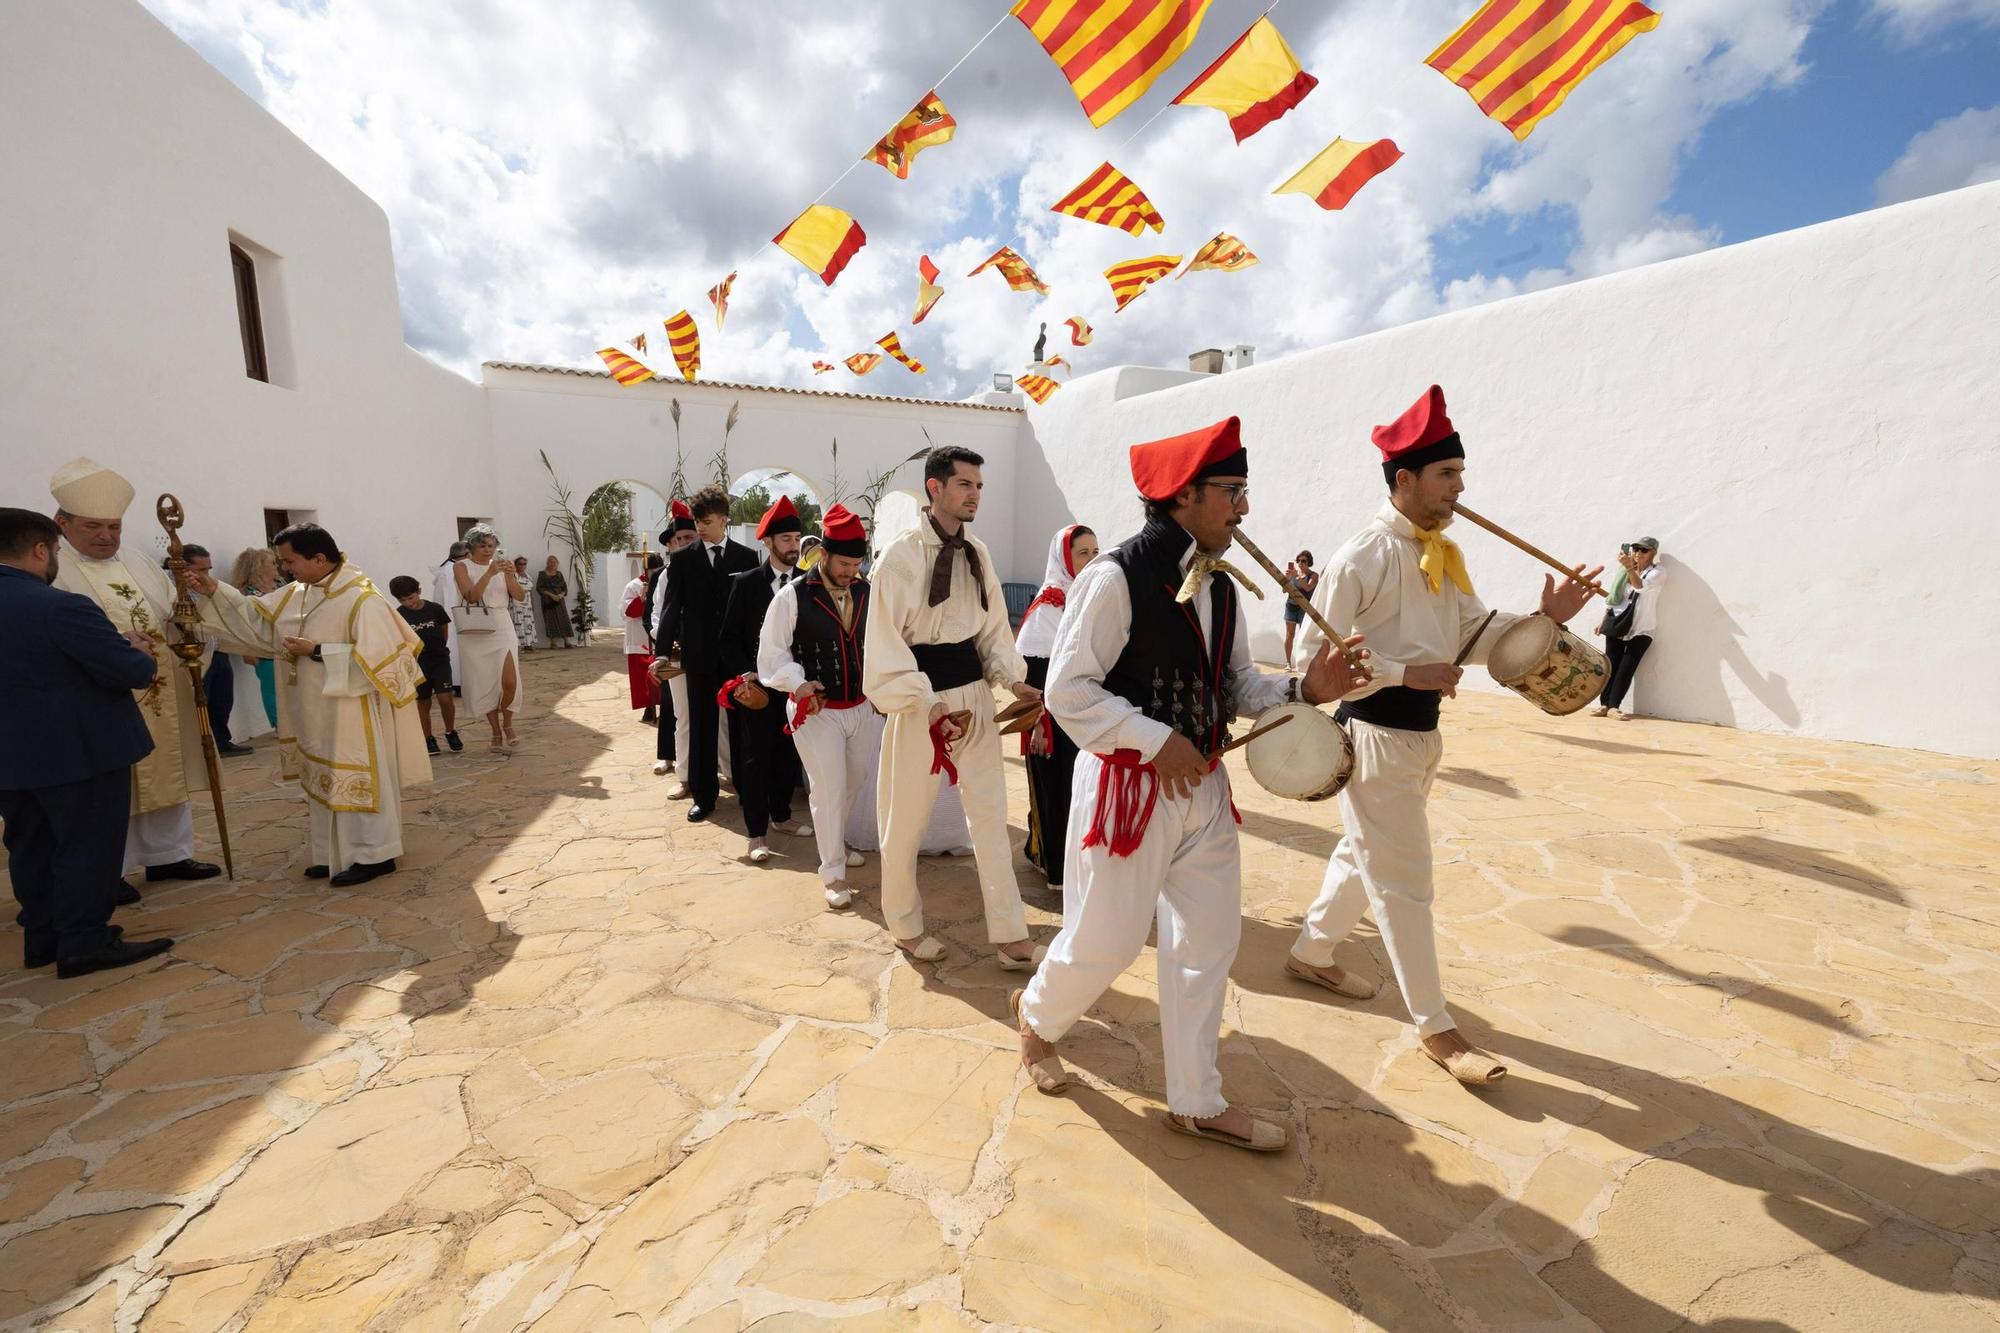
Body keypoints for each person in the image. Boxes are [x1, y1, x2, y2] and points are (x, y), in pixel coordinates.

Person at [1013, 418, 1370, 1152]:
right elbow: (1068, 692)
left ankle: (1196, 1099)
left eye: (1244, 492)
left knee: (1208, 941)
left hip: (1204, 790)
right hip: (1125, 791)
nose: (1243, 509)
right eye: (1233, 492)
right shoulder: (1111, 577)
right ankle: (1038, 1022)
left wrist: (1308, 686)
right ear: (1184, 494)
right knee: (1106, 941)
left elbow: (1234, 684)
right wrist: (1154, 739)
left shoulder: (1224, 588)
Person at [1290, 385, 1601, 1084]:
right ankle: (1438, 1028)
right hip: (1371, 735)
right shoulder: (1359, 556)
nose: (1461, 486)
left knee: (1362, 852)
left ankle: (1311, 951)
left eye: (1461, 473)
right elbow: (1312, 661)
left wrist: (1543, 620)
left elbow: (1476, 633)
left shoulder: (1442, 553)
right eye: (1447, 474)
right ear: (1405, 480)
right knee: (1405, 882)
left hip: (1421, 739)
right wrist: (1406, 673)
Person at [862, 445, 1043, 968]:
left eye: (980, 486)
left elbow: (990, 631)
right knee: (905, 819)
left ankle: (1010, 934)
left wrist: (1014, 681)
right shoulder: (899, 558)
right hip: (922, 703)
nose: (975, 495)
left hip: (975, 699)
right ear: (935, 488)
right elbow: (885, 646)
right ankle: (903, 924)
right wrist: (928, 703)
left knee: (989, 815)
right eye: (965, 484)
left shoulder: (978, 553)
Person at [191, 523, 432, 886]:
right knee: (322, 777)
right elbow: (256, 618)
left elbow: (388, 661)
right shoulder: (299, 592)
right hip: (310, 706)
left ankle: (375, 853)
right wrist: (214, 589)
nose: (286, 568)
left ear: (319, 559)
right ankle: (331, 852)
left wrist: (318, 651)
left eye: (290, 561)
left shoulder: (362, 598)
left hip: (351, 709)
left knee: (355, 775)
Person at [0, 508, 175, 978]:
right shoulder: (60, 604)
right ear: (40, 549)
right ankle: (84, 942)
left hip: (11, 759)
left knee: (29, 846)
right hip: (81, 751)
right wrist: (133, 650)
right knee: (86, 847)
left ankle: (43, 939)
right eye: (56, 550)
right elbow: (131, 672)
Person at [48, 458, 224, 889]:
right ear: (62, 523)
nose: (107, 536)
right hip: (99, 693)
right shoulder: (50, 567)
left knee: (168, 766)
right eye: (93, 526)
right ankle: (112, 870)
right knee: (112, 783)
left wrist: (188, 621)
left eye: (114, 526)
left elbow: (172, 613)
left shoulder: (140, 561)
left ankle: (169, 855)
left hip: (162, 688)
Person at [758, 503, 876, 907]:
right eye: (844, 564)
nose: (850, 573)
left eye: (856, 565)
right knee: (828, 789)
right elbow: (771, 656)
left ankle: (835, 848)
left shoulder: (866, 591)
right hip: (817, 711)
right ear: (823, 555)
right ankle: (833, 873)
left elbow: (878, 643)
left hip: (861, 707)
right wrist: (799, 682)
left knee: (853, 782)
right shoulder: (792, 597)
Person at [719, 496, 812, 863]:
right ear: (768, 543)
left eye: (796, 538)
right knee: (755, 759)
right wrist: (745, 677)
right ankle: (756, 833)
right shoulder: (745, 584)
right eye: (786, 539)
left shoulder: (807, 585)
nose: (793, 546)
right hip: (756, 689)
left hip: (792, 689)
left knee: (788, 756)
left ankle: (782, 817)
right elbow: (727, 637)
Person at [656, 485, 757, 820]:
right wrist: (661, 653)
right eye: (698, 521)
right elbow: (671, 608)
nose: (701, 527)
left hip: (736, 657)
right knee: (701, 727)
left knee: (743, 724)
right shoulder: (683, 559)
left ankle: (747, 788)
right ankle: (703, 796)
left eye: (708, 521)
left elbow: (752, 610)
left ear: (724, 520)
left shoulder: (746, 557)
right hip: (698, 657)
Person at [1015, 523, 1097, 888]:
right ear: (1064, 558)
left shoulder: (1093, 596)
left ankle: (1082, 863)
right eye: (1083, 553)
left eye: (1096, 552)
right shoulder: (1049, 606)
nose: (1092, 559)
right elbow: (1035, 674)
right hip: (1053, 720)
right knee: (1057, 791)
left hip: (1087, 715)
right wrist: (1038, 723)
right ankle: (1056, 867)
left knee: (1084, 791)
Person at [166, 544, 251, 758]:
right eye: (201, 570)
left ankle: (221, 741)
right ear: (182, 568)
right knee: (198, 702)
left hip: (216, 649)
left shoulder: (205, 587)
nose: (206, 575)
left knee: (222, 699)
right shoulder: (169, 589)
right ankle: (200, 747)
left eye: (208, 569)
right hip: (191, 656)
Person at [452, 524, 525, 755]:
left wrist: (510, 575)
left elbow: (520, 596)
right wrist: (489, 573)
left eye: (491, 545)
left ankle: (508, 724)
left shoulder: (503, 566)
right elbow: (471, 596)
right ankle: (495, 731)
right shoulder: (461, 566)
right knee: (486, 682)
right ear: (471, 546)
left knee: (510, 682)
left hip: (502, 624)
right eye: (482, 545)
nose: (487, 550)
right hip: (476, 628)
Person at [649, 502, 698, 780]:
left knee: (721, 717)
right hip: (678, 654)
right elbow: (658, 615)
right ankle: (684, 775)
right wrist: (666, 646)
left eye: (688, 538)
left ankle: (726, 770)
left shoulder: (708, 565)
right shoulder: (666, 575)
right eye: (678, 539)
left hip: (709, 654)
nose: (683, 543)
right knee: (683, 716)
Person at [1593, 537, 1665, 719]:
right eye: (1636, 549)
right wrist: (1603, 621)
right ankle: (1604, 705)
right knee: (1610, 665)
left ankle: (1613, 706)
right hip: (1617, 623)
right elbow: (1615, 599)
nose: (1639, 553)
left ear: (1653, 553)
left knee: (1626, 668)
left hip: (1642, 628)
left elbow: (1639, 586)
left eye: (1644, 550)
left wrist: (1629, 568)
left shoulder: (1658, 572)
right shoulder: (1623, 572)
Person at [390, 575, 460, 755]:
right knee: (423, 702)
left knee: (446, 698)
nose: (409, 603)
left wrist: (440, 649)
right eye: (403, 600)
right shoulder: (399, 615)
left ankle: (450, 731)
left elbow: (443, 631)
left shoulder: (435, 609)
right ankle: (428, 738)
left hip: (439, 660)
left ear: (419, 591)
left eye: (411, 597)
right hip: (417, 664)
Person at [228, 546, 280, 741]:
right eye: (272, 563)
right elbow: (243, 625)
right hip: (264, 650)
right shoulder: (249, 595)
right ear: (258, 568)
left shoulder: (277, 587)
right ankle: (280, 726)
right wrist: (247, 650)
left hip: (283, 646)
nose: (277, 566)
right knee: (273, 689)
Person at [624, 555, 663, 724]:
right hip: (640, 637)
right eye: (651, 569)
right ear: (645, 570)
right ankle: (649, 707)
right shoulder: (634, 586)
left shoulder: (664, 581)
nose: (654, 573)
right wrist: (641, 599)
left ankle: (663, 707)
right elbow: (625, 611)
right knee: (643, 678)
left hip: (659, 635)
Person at [432, 540, 469, 686]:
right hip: (453, 617)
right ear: (465, 554)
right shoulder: (449, 571)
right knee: (455, 648)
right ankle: (458, 682)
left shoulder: (447, 569)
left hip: (455, 615)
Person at [1282, 549, 1319, 669]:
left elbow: (1308, 588)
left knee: (1304, 636)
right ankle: (1288, 663)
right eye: (1298, 561)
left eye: (1303, 561)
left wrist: (1296, 576)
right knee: (1289, 635)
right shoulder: (1293, 575)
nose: (1300, 563)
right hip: (1291, 607)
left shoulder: (1313, 575)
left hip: (1304, 609)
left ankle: (1304, 664)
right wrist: (1287, 579)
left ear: (1309, 562)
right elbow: (1284, 590)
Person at [536, 556, 573, 648]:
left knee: (563, 618)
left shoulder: (559, 574)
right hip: (548, 600)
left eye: (554, 562)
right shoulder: (542, 574)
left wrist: (560, 595)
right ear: (547, 563)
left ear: (557, 564)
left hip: (559, 599)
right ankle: (553, 642)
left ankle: (567, 641)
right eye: (550, 562)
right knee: (550, 619)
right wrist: (552, 595)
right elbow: (539, 588)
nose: (553, 564)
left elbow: (564, 587)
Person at [509, 555, 540, 650]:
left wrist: (533, 604)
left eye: (524, 564)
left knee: (528, 624)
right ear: (516, 565)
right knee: (518, 624)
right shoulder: (513, 576)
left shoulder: (528, 576)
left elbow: (530, 592)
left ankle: (528, 644)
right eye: (520, 564)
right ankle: (518, 646)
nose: (522, 566)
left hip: (527, 604)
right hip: (516, 604)